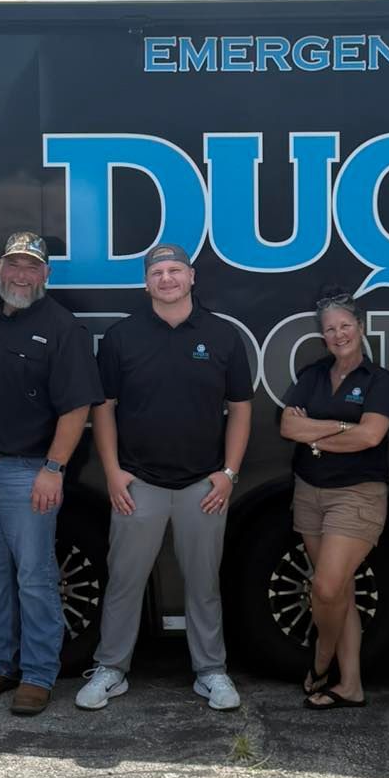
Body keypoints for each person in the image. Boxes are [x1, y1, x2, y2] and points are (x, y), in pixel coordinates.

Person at [77, 243, 252, 714]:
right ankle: (111, 668)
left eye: (175, 270)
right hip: (139, 484)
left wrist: (229, 474)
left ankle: (210, 671)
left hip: (203, 485)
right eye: (158, 272)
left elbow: (240, 410)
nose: (167, 279)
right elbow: (104, 410)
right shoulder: (121, 338)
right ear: (147, 282)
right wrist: (113, 472)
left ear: (192, 277)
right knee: (124, 581)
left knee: (203, 582)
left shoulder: (222, 336)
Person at [0, 232, 101, 716]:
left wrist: (54, 468)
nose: (21, 275)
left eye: (32, 267)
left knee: (34, 576)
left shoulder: (61, 328)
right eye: (14, 265)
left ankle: (37, 674)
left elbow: (77, 408)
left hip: (29, 471)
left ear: (46, 275)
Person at [279, 288, 389, 710]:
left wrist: (318, 433)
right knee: (340, 589)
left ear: (360, 328)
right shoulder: (312, 375)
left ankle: (320, 661)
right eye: (331, 329)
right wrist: (341, 431)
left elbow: (372, 436)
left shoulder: (379, 380)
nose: (339, 334)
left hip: (357, 495)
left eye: (346, 325)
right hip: (310, 493)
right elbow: (289, 428)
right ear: (323, 336)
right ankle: (351, 685)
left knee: (326, 587)